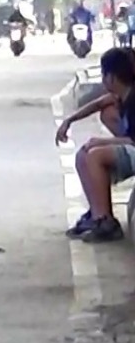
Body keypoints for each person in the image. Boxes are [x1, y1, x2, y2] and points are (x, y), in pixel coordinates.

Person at [57, 47, 135, 243]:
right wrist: (69, 121)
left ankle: (107, 223)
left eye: (103, 74)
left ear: (111, 77)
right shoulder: (121, 95)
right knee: (82, 155)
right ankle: (98, 214)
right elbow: (98, 104)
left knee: (95, 155)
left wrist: (102, 141)